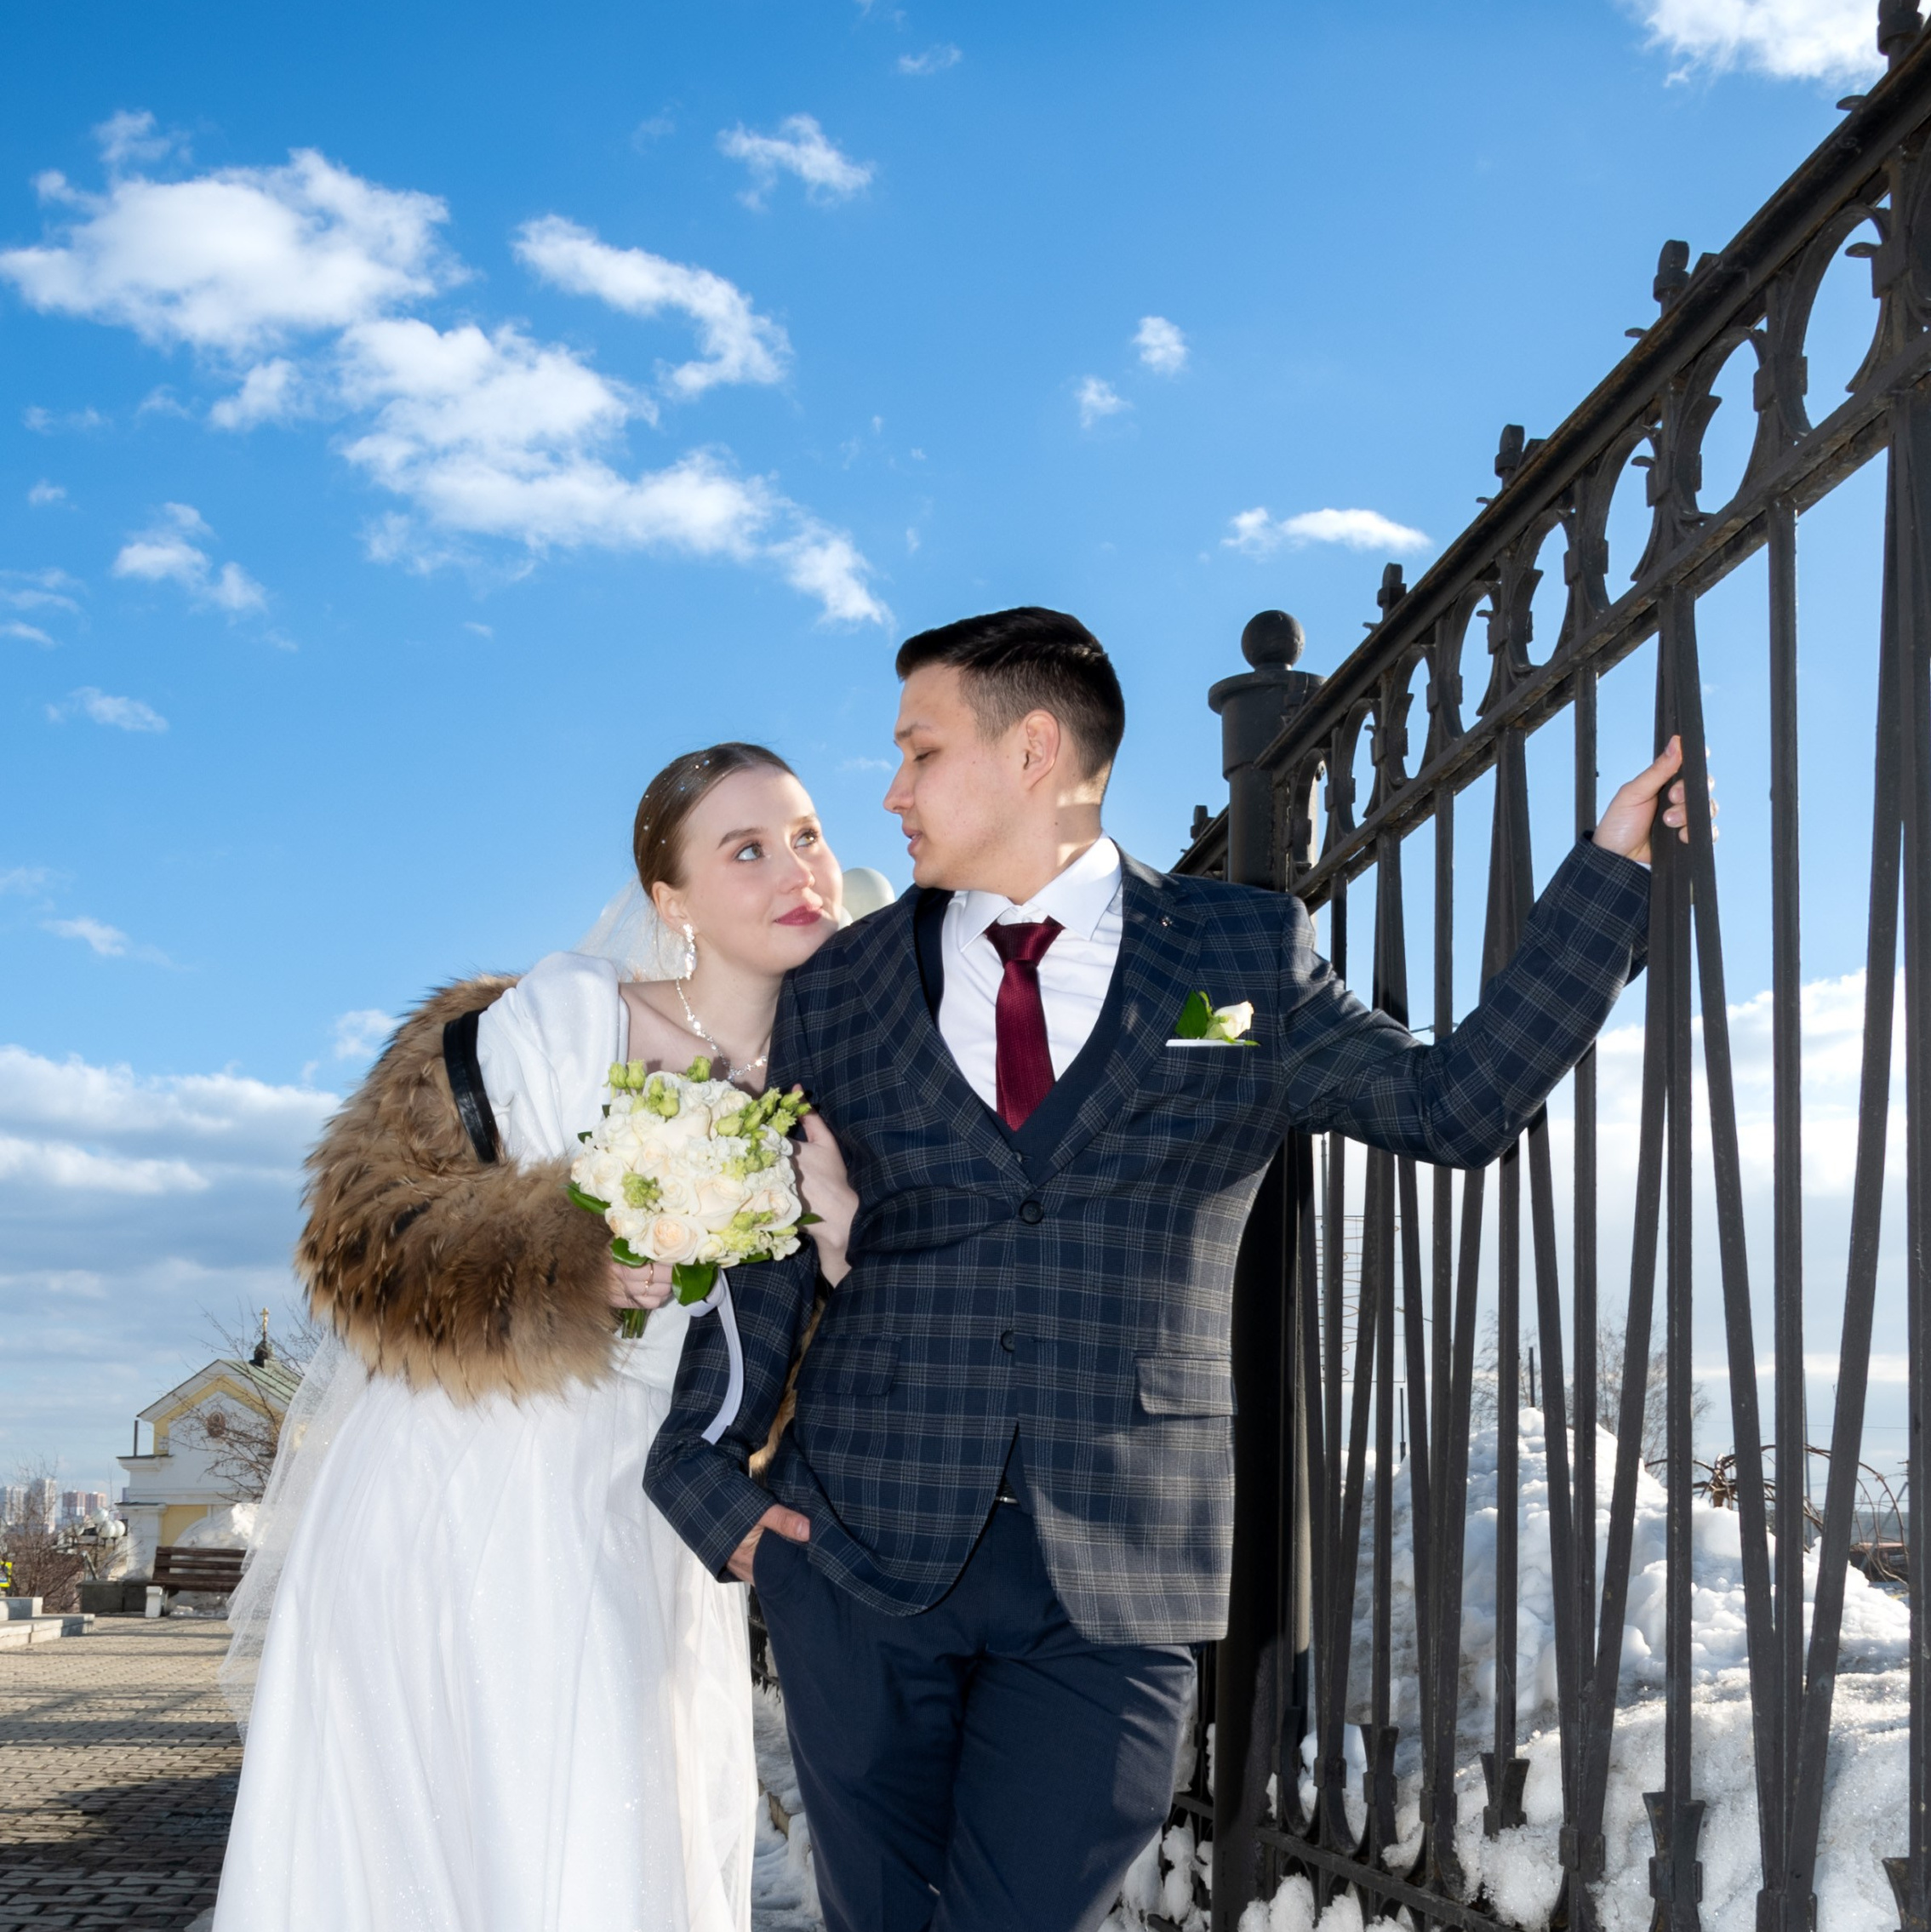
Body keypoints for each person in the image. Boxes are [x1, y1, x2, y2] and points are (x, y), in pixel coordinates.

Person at [645, 609, 1706, 1932]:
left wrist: (1605, 880)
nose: (891, 790)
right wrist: (701, 1464)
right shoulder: (845, 984)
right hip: (856, 1552)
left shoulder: (1230, 962)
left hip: (1118, 1573)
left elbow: (1450, 1104)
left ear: (1032, 750)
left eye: (919, 749)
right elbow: (770, 1238)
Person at [214, 742, 858, 1932]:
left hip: (654, 1510)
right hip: (463, 1479)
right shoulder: (554, 1024)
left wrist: (840, 1246)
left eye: (808, 834)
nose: (798, 869)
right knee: (446, 1829)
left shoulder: (848, 1084)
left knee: (616, 1831)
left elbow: (862, 1340)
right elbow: (368, 1234)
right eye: (747, 848)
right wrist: (572, 1260)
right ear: (671, 902)